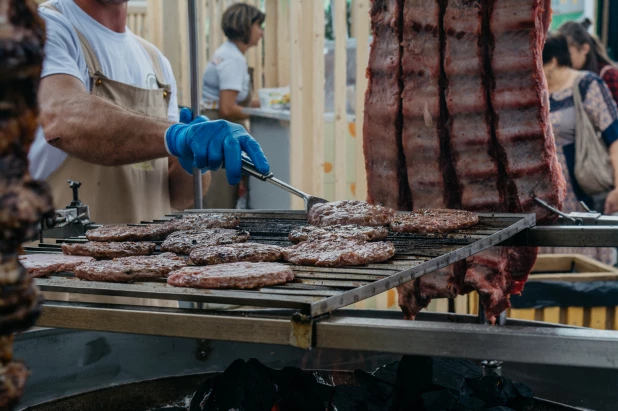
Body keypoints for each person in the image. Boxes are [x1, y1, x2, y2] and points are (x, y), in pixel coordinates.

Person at [28, 0, 270, 226]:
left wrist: (194, 165)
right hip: (59, 261)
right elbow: (62, 119)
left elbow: (179, 197)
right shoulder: (43, 30)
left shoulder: (155, 61)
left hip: (148, 262)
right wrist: (175, 136)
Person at [541, 33, 618, 265]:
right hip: (546, 201)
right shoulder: (537, 92)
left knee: (584, 265)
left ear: (552, 61)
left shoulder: (586, 84)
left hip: (581, 194)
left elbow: (615, 137)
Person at [200, 3, 264, 209]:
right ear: (245, 26)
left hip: (213, 126)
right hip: (219, 129)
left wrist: (264, 103)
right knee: (218, 199)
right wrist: (255, 111)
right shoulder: (233, 59)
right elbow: (227, 109)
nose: (261, 32)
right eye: (258, 26)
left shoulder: (227, 53)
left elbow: (232, 99)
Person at [559, 20, 618, 104]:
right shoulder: (563, 77)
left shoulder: (609, 76)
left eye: (568, 54)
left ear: (585, 49)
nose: (563, 59)